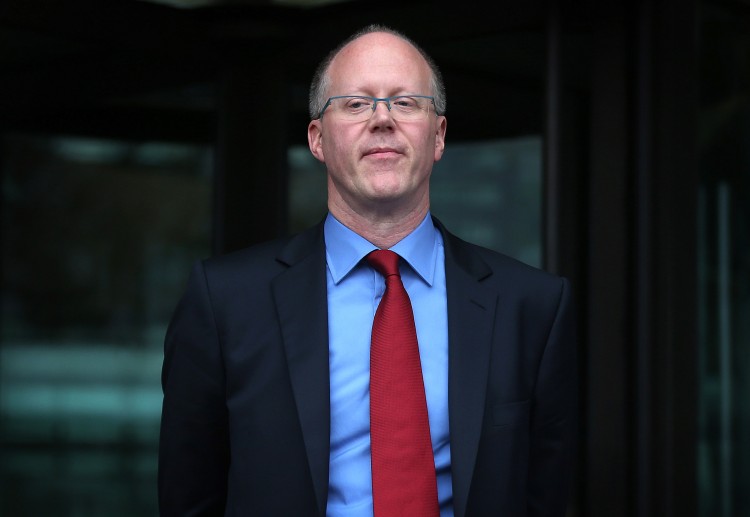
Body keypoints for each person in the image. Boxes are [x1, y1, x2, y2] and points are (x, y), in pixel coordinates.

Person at [158, 24, 577, 517]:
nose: (382, 120)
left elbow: (546, 497)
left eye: (405, 102)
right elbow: (189, 499)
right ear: (317, 138)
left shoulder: (531, 305)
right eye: (356, 103)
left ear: (438, 136)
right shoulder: (225, 300)